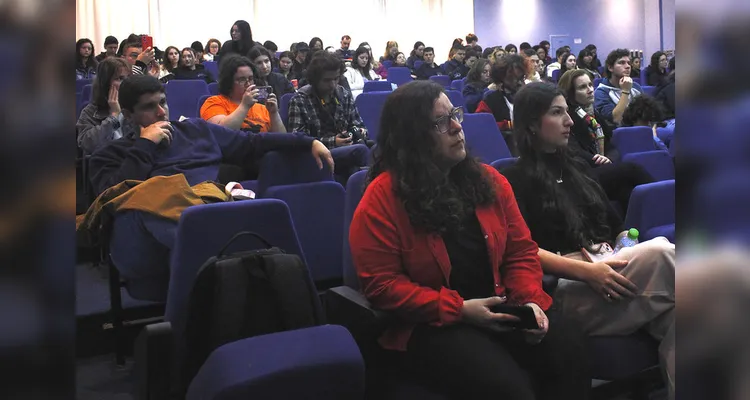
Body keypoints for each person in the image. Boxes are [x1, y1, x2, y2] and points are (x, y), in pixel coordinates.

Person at [349, 80, 591, 400]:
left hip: (499, 305)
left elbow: (520, 253)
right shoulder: (382, 199)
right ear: (411, 136)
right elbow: (381, 286)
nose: (456, 127)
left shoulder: (489, 182)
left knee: (568, 346)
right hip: (432, 325)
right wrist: (459, 309)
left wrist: (530, 300)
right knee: (508, 389)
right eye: (440, 122)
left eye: (455, 115)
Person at [501, 81, 674, 400]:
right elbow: (519, 251)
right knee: (664, 251)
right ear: (531, 125)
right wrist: (588, 271)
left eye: (567, 112)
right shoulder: (511, 180)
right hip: (568, 287)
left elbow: (617, 228)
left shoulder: (578, 168)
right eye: (557, 113)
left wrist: (625, 244)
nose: (570, 121)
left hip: (614, 271)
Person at [89, 74, 332, 301]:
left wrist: (307, 141)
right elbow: (111, 197)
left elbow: (253, 143)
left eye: (162, 102)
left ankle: (285, 300)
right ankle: (230, 268)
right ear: (129, 116)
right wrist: (145, 145)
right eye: (149, 107)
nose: (161, 112)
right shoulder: (110, 154)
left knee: (267, 209)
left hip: (205, 213)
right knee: (161, 201)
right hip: (145, 236)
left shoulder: (195, 130)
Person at [557, 69, 654, 213]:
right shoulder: (567, 117)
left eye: (590, 85)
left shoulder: (593, 114)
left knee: (626, 191)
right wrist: (597, 159)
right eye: (583, 87)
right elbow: (572, 151)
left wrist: (609, 158)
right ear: (570, 93)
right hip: (580, 173)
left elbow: (610, 145)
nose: (590, 90)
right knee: (632, 169)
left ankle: (638, 228)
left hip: (600, 169)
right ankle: (666, 202)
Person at [287, 51, 370, 182]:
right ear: (315, 79)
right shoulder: (300, 100)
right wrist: (333, 141)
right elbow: (298, 140)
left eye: (336, 79)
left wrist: (359, 132)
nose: (332, 84)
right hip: (317, 156)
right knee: (360, 152)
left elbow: (358, 124)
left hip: (348, 149)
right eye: (327, 80)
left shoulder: (343, 94)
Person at [200, 54, 285, 133]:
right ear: (229, 82)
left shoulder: (263, 109)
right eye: (242, 79)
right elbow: (222, 134)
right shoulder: (214, 102)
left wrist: (274, 114)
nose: (248, 84)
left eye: (251, 79)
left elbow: (281, 140)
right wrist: (244, 106)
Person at [77, 57, 132, 153]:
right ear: (105, 83)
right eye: (120, 78)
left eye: (128, 78)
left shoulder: (135, 107)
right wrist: (114, 116)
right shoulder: (90, 111)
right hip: (107, 163)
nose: (126, 83)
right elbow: (87, 144)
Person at [476, 54, 527, 153]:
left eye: (521, 78)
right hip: (505, 148)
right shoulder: (491, 100)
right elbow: (481, 125)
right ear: (501, 78)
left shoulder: (528, 97)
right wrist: (508, 125)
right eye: (513, 78)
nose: (519, 82)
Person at [594, 48, 643, 127]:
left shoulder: (636, 86)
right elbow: (616, 119)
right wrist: (625, 91)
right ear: (610, 68)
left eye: (628, 63)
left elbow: (648, 113)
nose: (627, 66)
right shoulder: (601, 92)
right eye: (622, 63)